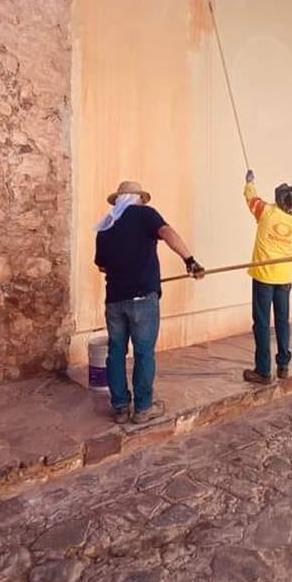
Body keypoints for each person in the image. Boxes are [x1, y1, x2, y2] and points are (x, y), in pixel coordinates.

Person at [94, 180, 204, 425]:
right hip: (142, 298)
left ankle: (120, 407)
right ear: (139, 199)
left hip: (114, 300)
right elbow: (167, 232)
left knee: (116, 353)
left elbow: (102, 265)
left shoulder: (105, 225)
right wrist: (190, 260)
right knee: (143, 353)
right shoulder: (146, 214)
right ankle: (143, 408)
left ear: (119, 200)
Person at [242, 170, 292, 385]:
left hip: (263, 277)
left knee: (261, 323)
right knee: (282, 322)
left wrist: (250, 182)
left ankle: (263, 371)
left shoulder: (266, 212)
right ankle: (283, 365)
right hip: (284, 278)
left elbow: (251, 198)